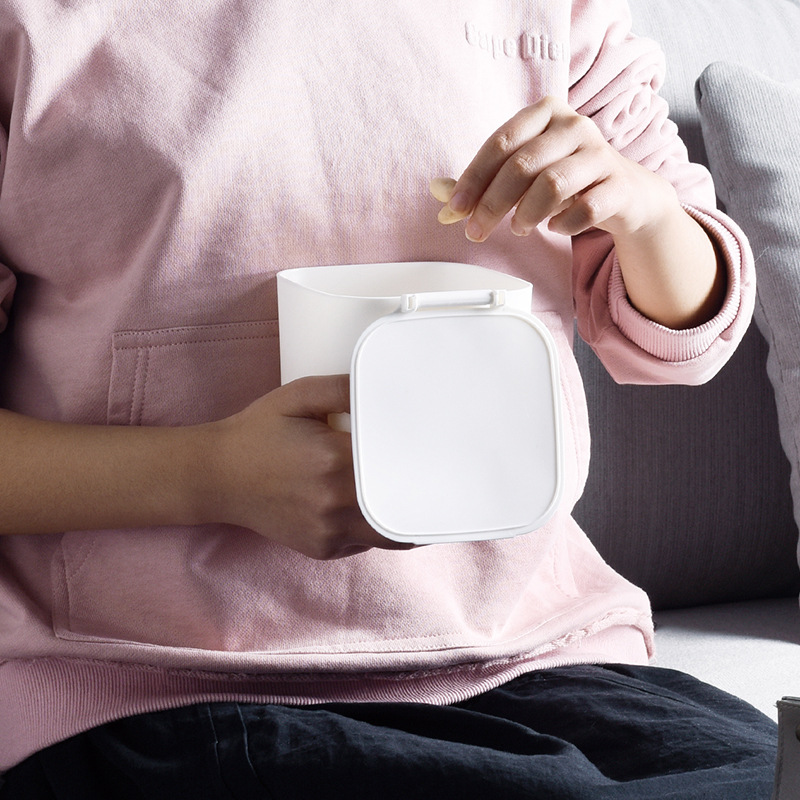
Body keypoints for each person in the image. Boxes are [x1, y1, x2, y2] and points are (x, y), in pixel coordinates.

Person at [0, 0, 777, 797]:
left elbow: (689, 334)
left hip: (543, 656)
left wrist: (642, 211)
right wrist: (213, 474)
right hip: (156, 684)